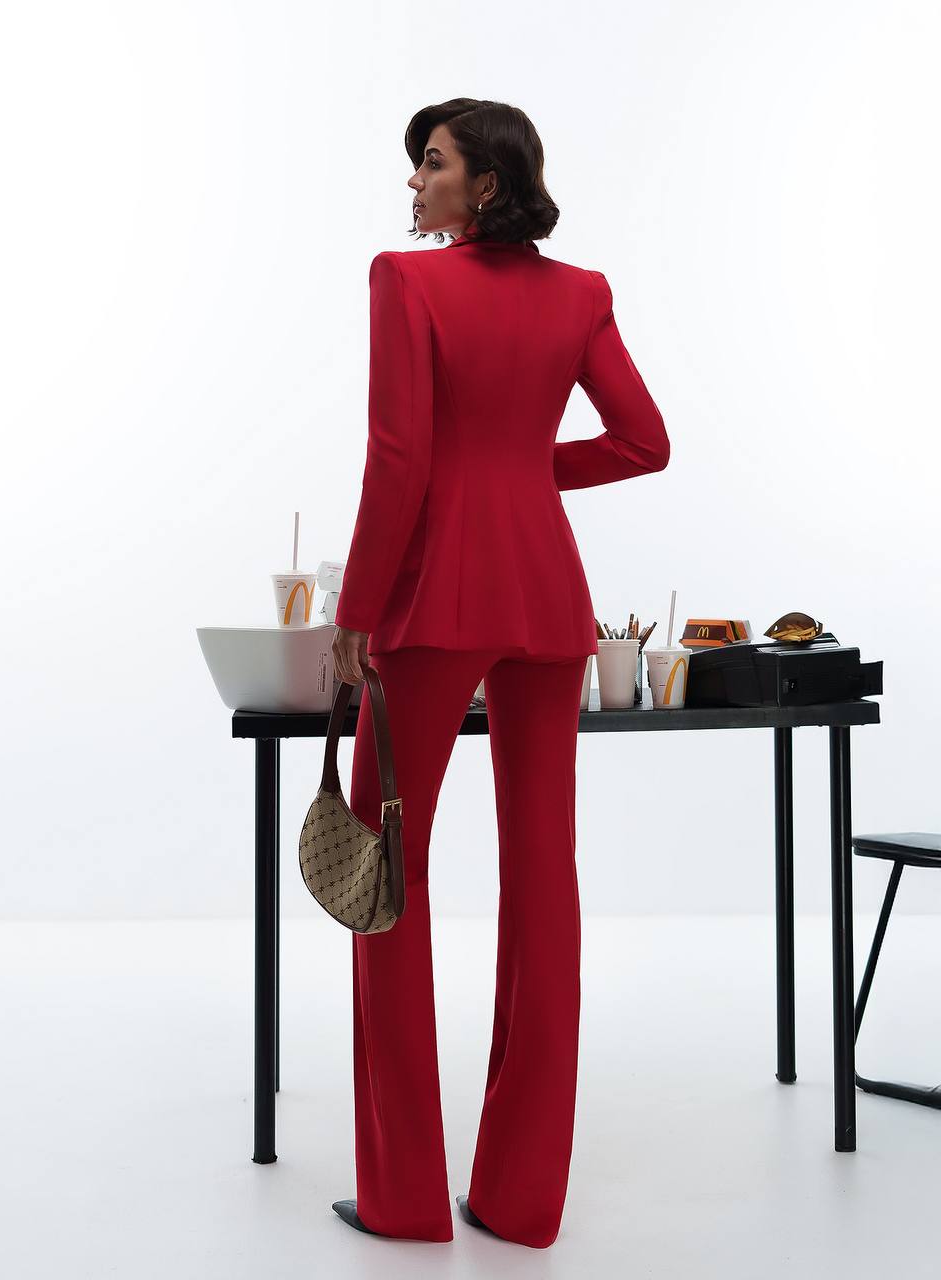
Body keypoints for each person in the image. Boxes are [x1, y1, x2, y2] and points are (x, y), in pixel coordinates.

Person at [329, 98, 670, 1249]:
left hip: (434, 601)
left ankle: (403, 1196)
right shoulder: (581, 294)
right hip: (548, 603)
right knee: (542, 879)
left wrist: (355, 609)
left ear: (484, 183)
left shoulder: (405, 281)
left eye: (429, 163)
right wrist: (522, 470)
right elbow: (643, 440)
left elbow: (398, 458)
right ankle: (522, 1200)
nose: (412, 182)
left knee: (387, 871)